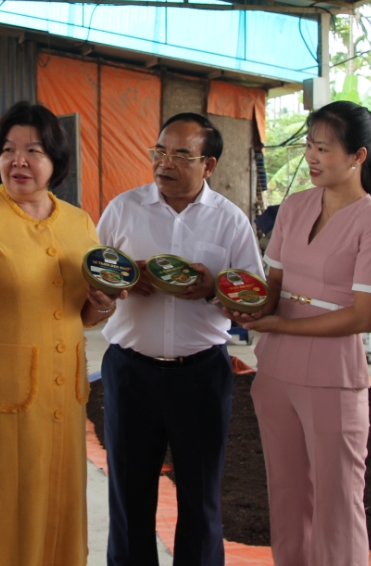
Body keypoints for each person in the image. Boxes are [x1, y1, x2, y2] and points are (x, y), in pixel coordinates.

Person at [0, 101, 119, 566]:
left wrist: (100, 304)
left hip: (61, 395)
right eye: (9, 150)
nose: (19, 161)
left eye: (33, 150)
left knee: (56, 502)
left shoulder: (79, 223)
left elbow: (86, 308)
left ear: (56, 160)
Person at [230, 101, 371, 566]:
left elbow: (364, 316)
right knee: (285, 493)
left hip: (333, 376)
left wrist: (281, 322)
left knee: (337, 500)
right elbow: (276, 283)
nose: (311, 157)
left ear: (358, 157)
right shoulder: (296, 207)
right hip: (276, 369)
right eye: (309, 145)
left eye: (323, 148)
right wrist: (246, 303)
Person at [97, 112, 263, 566]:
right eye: (159, 151)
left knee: (201, 497)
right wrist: (122, 282)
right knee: (129, 497)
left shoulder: (230, 222)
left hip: (201, 375)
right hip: (131, 371)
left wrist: (212, 288)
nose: (164, 163)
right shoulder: (123, 209)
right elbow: (93, 282)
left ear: (208, 165)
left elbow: (252, 301)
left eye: (181, 155)